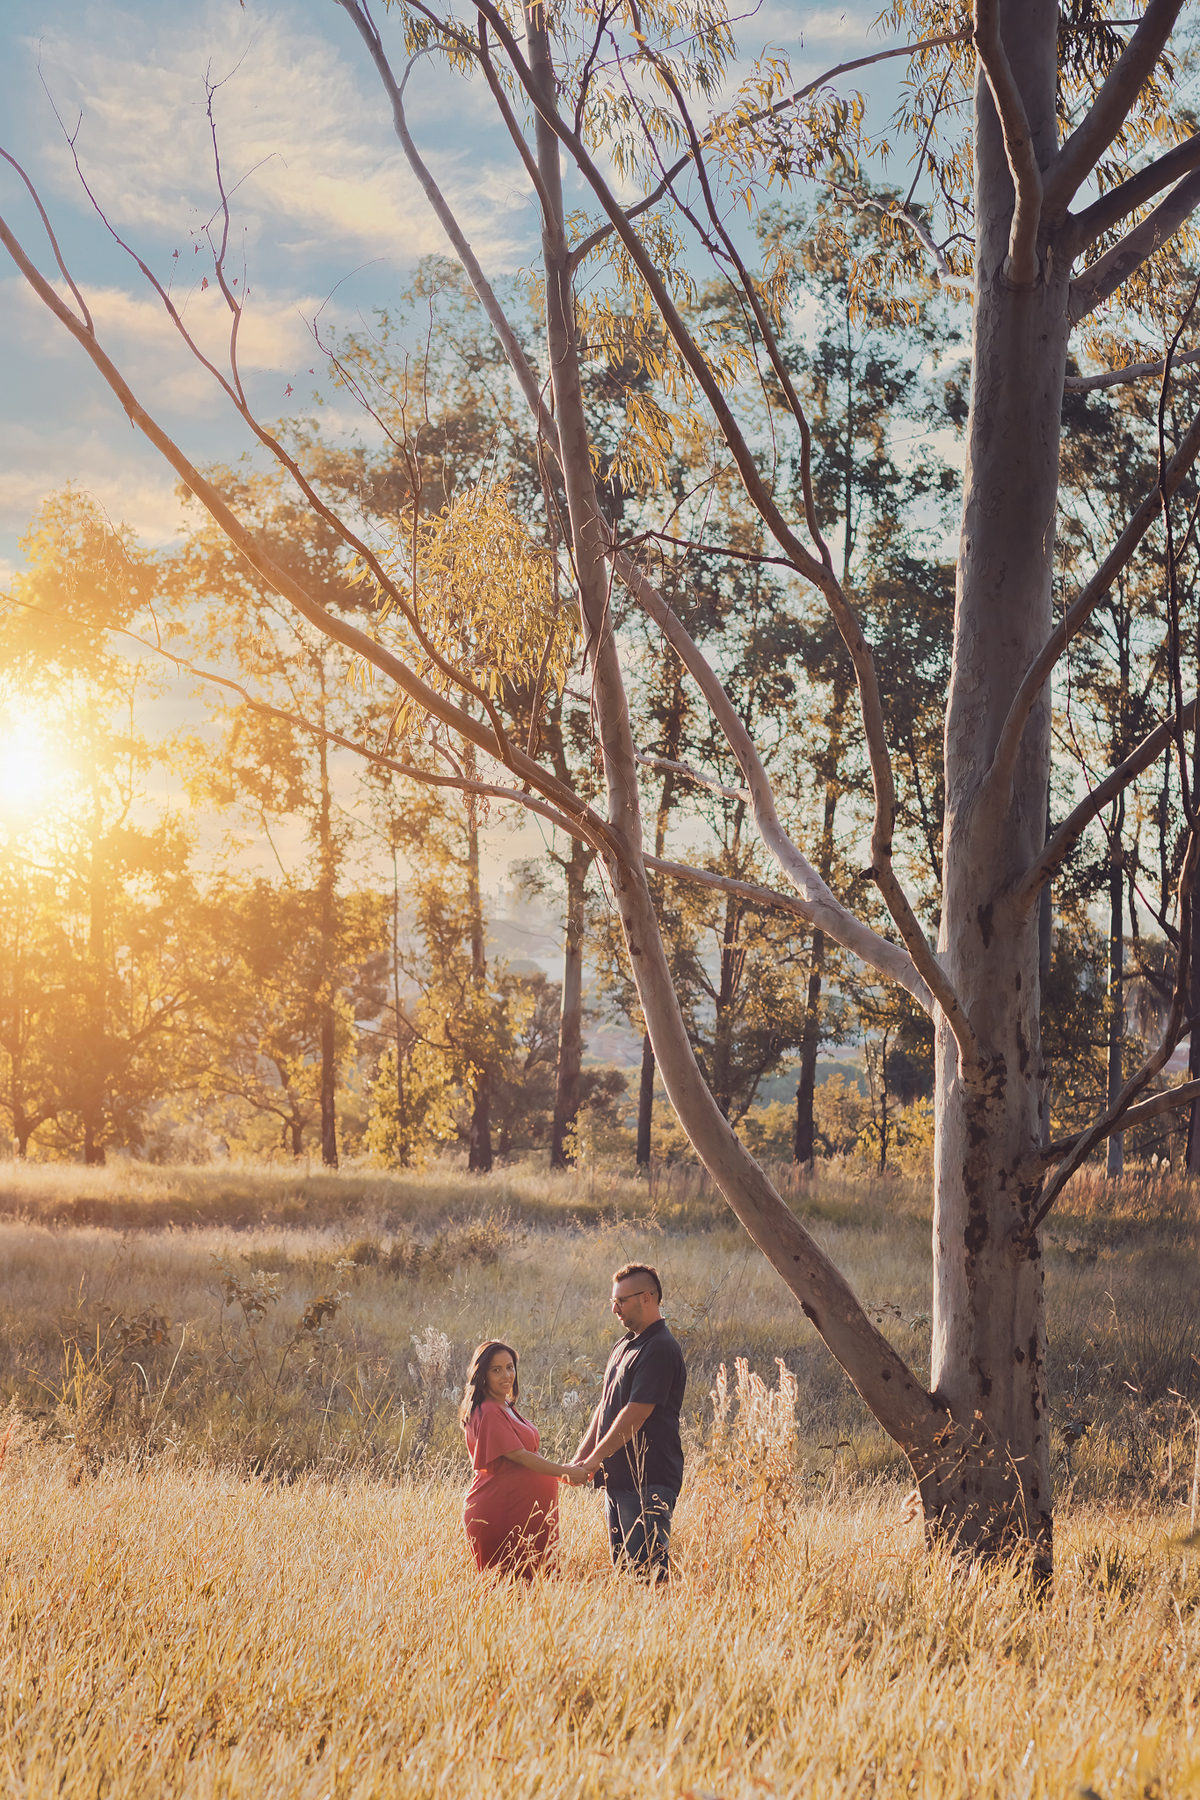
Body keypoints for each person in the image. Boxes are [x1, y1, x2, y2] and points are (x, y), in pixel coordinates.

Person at [569, 1262, 686, 1583]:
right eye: (613, 1300)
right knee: (626, 1572)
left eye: (621, 1300)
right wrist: (581, 1458)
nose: (614, 1308)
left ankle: (661, 1630)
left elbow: (636, 1413)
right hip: (618, 1478)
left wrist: (594, 1458)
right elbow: (605, 1407)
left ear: (647, 1298)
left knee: (647, 1574)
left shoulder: (660, 1347)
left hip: (648, 1480)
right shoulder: (625, 1345)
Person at [460, 1339, 576, 1578]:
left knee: (535, 1594)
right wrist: (565, 1473)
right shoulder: (489, 1411)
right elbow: (521, 1457)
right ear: (482, 1375)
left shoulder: (504, 1405)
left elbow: (528, 1456)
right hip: (503, 1514)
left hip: (525, 1514)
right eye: (496, 1370)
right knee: (511, 1592)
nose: (506, 1375)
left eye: (510, 1367)